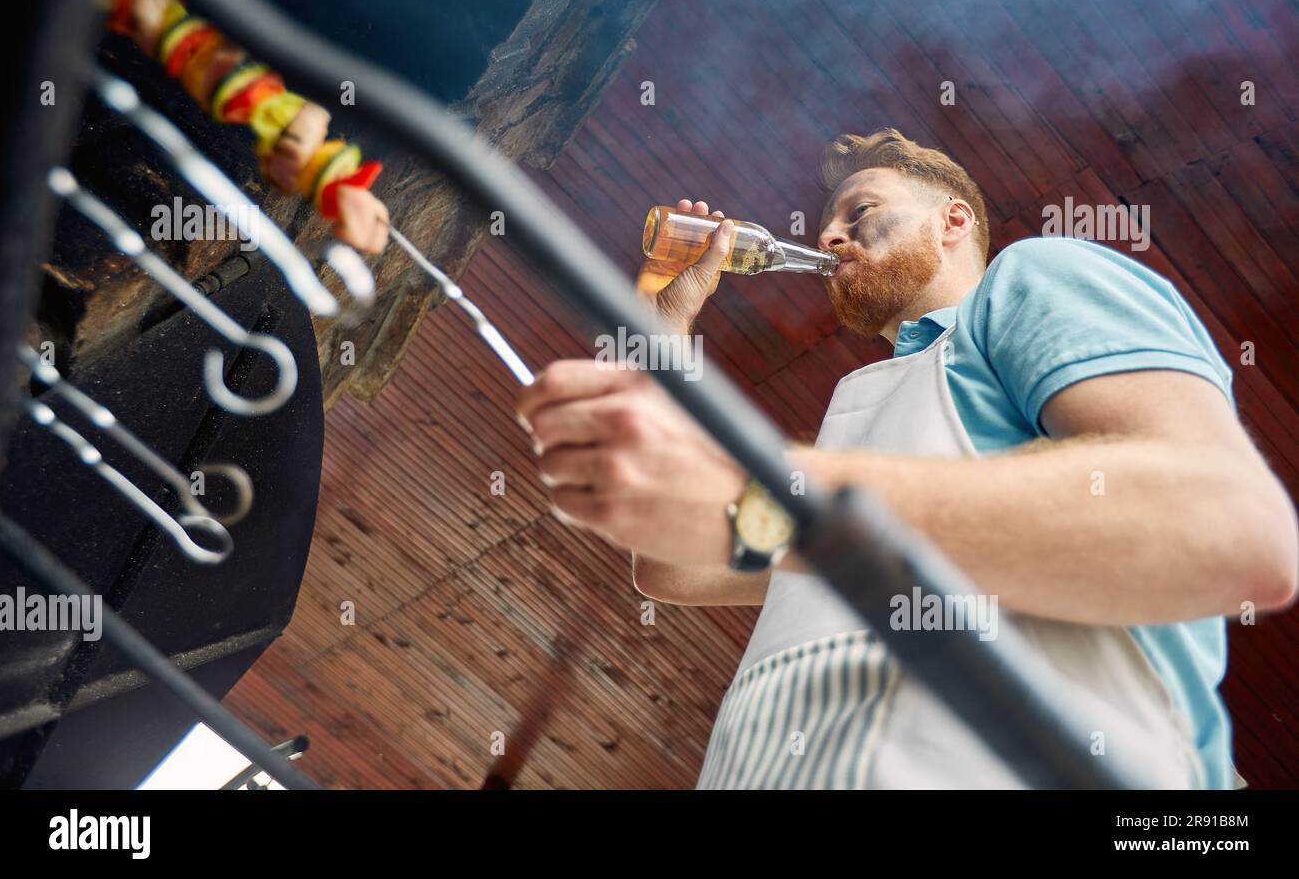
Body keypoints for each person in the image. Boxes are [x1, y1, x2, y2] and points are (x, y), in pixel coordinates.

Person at [514, 127, 1298, 789]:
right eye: (829, 222)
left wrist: (787, 497)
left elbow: (1236, 528)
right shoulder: (866, 412)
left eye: (862, 211)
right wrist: (663, 326)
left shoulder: (1029, 281)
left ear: (954, 220)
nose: (827, 236)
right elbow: (673, 569)